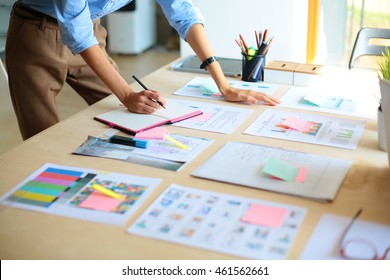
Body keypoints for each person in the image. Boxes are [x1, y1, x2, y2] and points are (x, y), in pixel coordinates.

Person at [6, 0, 280, 140]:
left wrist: (223, 84)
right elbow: (77, 34)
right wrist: (126, 94)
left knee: (130, 117)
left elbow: (183, 13)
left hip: (91, 30)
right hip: (36, 32)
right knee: (41, 134)